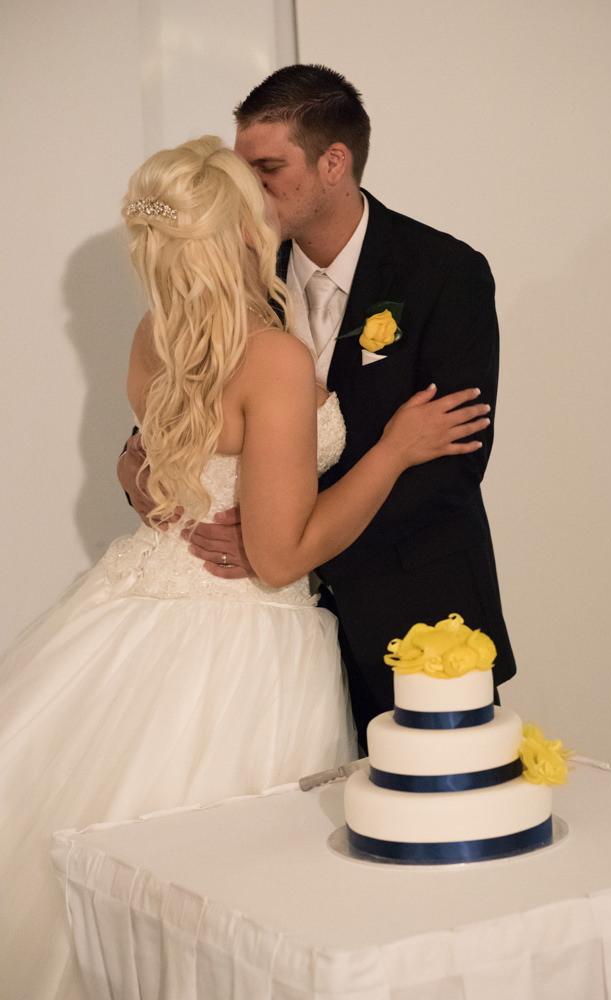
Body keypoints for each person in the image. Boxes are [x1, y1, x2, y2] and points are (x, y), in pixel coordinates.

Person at [0, 137, 490, 999]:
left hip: (133, 610)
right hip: (239, 639)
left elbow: (155, 466)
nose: (271, 206)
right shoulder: (272, 358)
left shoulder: (154, 335)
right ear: (237, 232)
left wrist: (148, 481)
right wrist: (394, 450)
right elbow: (278, 554)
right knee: (238, 896)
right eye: (254, 195)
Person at [120, 65, 517, 744]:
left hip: (408, 612)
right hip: (252, 629)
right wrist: (161, 487)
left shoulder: (443, 274)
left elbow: (449, 468)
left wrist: (285, 545)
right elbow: (164, 433)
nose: (248, 189)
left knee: (426, 828)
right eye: (241, 171)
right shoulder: (230, 272)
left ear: (336, 162)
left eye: (268, 168)